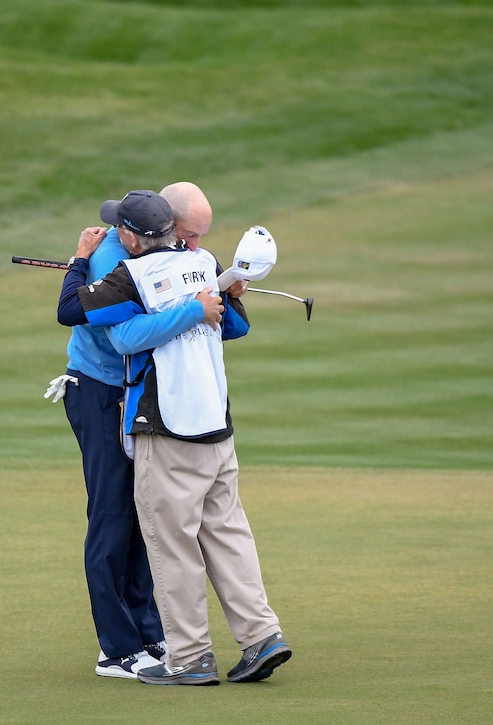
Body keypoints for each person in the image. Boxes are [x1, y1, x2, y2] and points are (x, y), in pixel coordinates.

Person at [57, 185, 291, 686]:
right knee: (132, 521)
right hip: (150, 407)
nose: (194, 242)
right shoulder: (180, 263)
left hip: (168, 420)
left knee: (164, 535)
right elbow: (88, 320)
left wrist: (213, 298)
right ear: (166, 227)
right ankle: (130, 647)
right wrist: (201, 302)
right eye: (190, 234)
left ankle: (176, 649)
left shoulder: (177, 264)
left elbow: (126, 330)